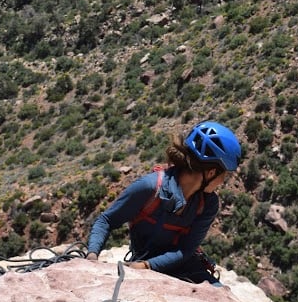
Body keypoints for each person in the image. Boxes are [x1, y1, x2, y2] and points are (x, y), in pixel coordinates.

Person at [86, 121, 241, 284]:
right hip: (144, 267)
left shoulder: (208, 204)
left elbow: (186, 250)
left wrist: (147, 266)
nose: (223, 181)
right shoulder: (150, 187)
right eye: (224, 175)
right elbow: (107, 220)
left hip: (186, 268)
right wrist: (92, 256)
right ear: (210, 173)